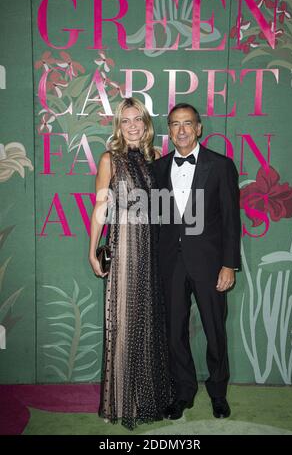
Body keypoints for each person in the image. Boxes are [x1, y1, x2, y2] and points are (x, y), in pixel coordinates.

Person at [152, 103, 241, 420]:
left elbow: (231, 220)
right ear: (170, 130)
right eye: (175, 124)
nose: (181, 130)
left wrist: (229, 264)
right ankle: (183, 392)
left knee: (215, 331)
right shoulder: (158, 168)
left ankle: (218, 394)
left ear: (199, 128)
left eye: (187, 123)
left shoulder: (220, 166)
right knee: (174, 333)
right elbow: (155, 220)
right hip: (170, 266)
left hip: (210, 265)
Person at [89, 97, 173, 430]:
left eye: (138, 119)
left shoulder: (157, 159)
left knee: (149, 321)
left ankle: (148, 397)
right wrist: (91, 249)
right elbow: (100, 206)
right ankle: (124, 401)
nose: (133, 125)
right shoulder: (110, 159)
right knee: (123, 324)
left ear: (146, 123)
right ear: (119, 127)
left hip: (152, 251)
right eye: (126, 120)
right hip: (123, 248)